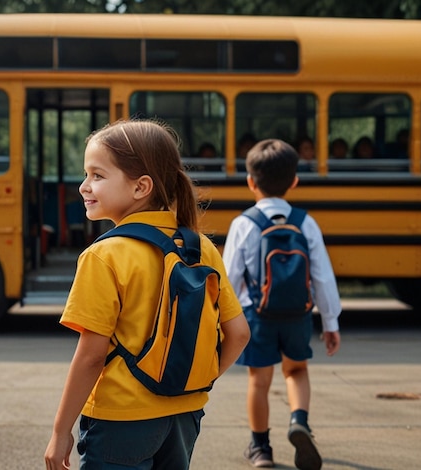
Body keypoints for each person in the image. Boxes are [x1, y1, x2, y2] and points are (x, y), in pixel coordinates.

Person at [44, 119, 251, 470]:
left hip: (120, 419)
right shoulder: (201, 248)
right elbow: (240, 333)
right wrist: (193, 381)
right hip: (186, 413)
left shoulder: (104, 255)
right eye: (86, 174)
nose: (83, 186)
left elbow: (92, 356)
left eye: (97, 175)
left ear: (141, 187)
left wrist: (60, 431)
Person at [222, 139, 341, 470]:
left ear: (250, 182)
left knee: (259, 381)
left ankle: (261, 449)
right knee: (296, 370)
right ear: (294, 182)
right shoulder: (306, 222)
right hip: (297, 315)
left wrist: (221, 324)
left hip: (256, 316)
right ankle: (298, 420)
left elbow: (229, 279)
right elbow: (323, 277)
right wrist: (330, 322)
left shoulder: (244, 224)